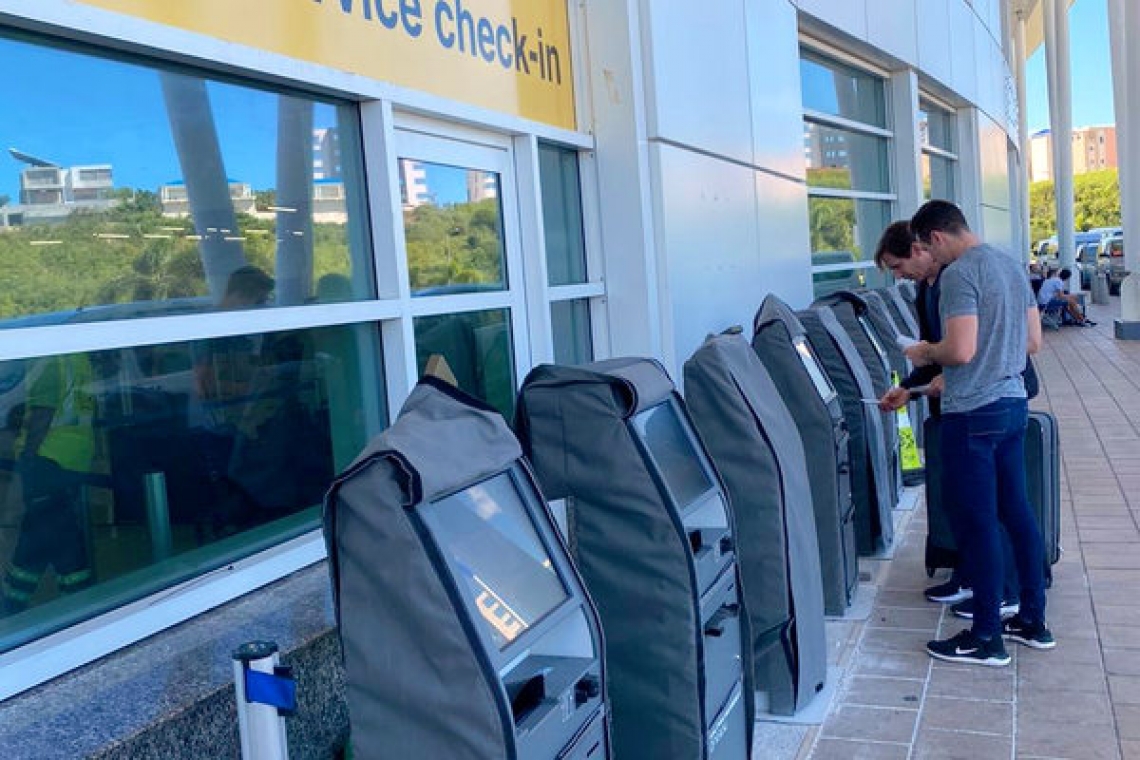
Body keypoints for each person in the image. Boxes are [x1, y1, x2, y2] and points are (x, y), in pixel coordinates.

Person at [904, 200, 1053, 666]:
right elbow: (1033, 342)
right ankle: (1033, 621)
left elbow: (961, 350)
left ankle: (986, 637)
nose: (932, 259)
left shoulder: (959, 274)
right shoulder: (1009, 265)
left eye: (927, 248)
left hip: (972, 414)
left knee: (978, 522)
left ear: (936, 238)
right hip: (1012, 406)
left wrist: (925, 349)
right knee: (1018, 514)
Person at [874, 221, 1021, 618]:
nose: (899, 276)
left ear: (924, 247)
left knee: (987, 507)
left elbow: (965, 349)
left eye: (899, 265)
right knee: (959, 502)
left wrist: (948, 368)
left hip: (980, 403)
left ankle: (1002, 594)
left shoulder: (962, 279)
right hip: (959, 404)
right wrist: (910, 387)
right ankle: (972, 576)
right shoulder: (928, 289)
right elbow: (933, 354)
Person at [1, 354, 98, 614]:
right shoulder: (78, 359)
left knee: (49, 530)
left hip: (49, 456)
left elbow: (43, 411)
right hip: (74, 455)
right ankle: (14, 599)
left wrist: (29, 456)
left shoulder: (48, 358)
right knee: (46, 528)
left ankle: (79, 599)